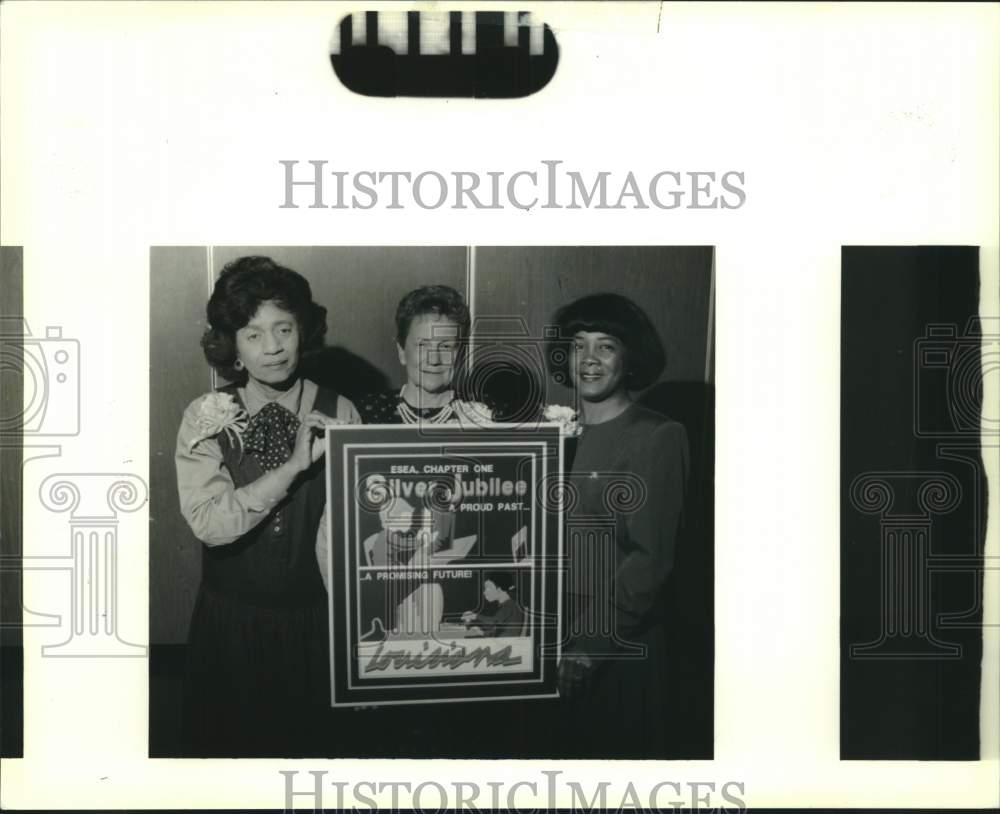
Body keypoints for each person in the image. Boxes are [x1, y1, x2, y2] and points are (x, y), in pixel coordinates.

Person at [174, 255, 359, 757]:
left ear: (304, 331)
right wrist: (293, 467)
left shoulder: (341, 410)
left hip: (316, 628)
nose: (273, 348)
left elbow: (351, 534)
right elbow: (211, 525)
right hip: (229, 628)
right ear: (232, 345)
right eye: (253, 335)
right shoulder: (206, 415)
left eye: (284, 329)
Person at [547, 292, 689, 759]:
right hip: (552, 640)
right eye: (578, 345)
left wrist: (590, 646)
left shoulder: (656, 434)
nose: (589, 359)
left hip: (615, 648)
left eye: (606, 346)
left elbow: (650, 561)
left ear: (629, 358)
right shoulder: (552, 435)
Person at [461, 571, 526, 637]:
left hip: (506, 644)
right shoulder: (507, 605)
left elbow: (493, 622)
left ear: (499, 589)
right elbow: (498, 629)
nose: (484, 592)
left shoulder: (510, 605)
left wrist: (474, 616)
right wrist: (481, 632)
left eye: (488, 587)